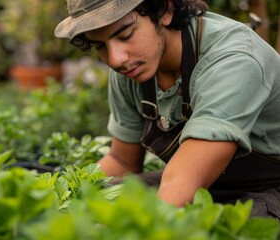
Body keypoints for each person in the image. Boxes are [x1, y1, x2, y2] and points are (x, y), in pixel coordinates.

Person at [55, 0, 280, 218]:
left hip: (269, 190)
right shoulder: (131, 71)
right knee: (98, 201)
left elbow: (182, 180)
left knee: (226, 229)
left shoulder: (234, 59)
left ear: (165, 9)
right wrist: (63, 196)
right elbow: (122, 161)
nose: (116, 59)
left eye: (125, 35)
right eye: (100, 46)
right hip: (198, 185)